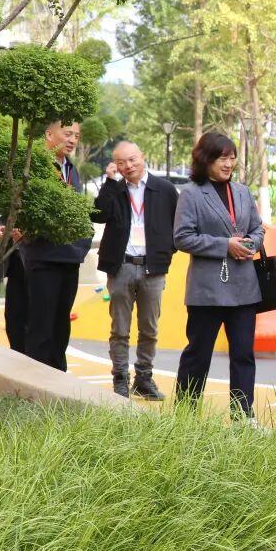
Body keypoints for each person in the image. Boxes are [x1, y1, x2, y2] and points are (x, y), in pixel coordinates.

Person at [173, 133, 264, 421]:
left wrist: (251, 243)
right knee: (198, 355)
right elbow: (182, 237)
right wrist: (225, 245)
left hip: (245, 288)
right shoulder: (191, 193)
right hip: (207, 290)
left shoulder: (242, 191)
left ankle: (243, 416)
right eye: (222, 158)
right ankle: (185, 416)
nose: (228, 164)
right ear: (205, 159)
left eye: (232, 158)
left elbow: (258, 229)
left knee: (244, 355)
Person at [93, 141, 179, 399]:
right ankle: (120, 379)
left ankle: (144, 379)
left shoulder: (164, 189)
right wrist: (109, 182)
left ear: (142, 156)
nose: (128, 166)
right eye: (121, 162)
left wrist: (165, 251)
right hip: (122, 266)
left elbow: (179, 225)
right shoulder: (115, 189)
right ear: (116, 165)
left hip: (153, 268)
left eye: (132, 159)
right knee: (120, 329)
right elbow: (98, 215)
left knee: (149, 329)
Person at [23, 121, 92, 371]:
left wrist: (82, 244)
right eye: (67, 134)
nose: (72, 140)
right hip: (44, 256)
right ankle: (34, 382)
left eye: (77, 136)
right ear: (49, 134)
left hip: (70, 257)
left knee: (61, 325)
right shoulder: (36, 165)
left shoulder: (71, 169)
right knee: (41, 325)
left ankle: (57, 380)